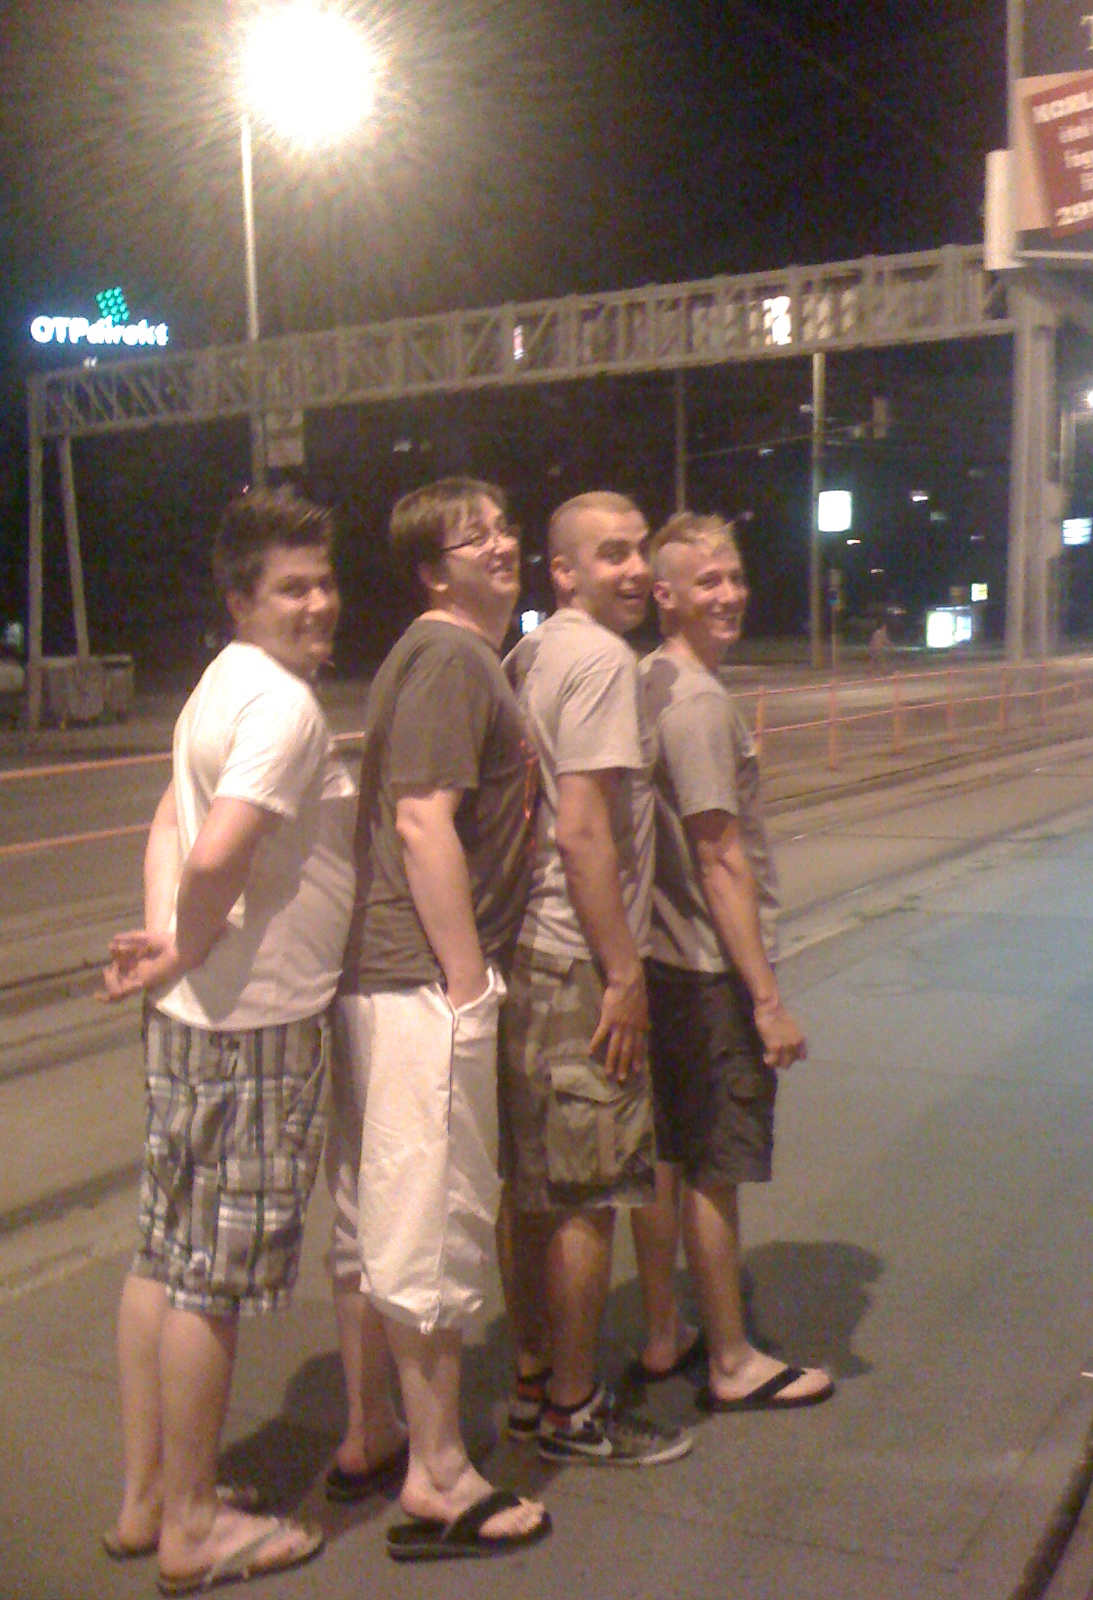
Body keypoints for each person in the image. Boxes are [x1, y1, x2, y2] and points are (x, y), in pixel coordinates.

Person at [102, 489, 357, 1591]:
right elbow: (215, 854)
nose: (318, 603)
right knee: (212, 1278)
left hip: (194, 1018)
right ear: (241, 597)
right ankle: (196, 1527)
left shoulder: (220, 683)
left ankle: (149, 1496)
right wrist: (189, 939)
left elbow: (172, 821)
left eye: (324, 581)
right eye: (291, 588)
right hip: (255, 1025)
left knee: (163, 1255)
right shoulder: (285, 708)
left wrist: (168, 946)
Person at [327, 477, 550, 1561]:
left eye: (503, 528)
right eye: (473, 538)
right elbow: (423, 822)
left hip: (399, 975)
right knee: (432, 1219)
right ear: (432, 570)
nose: (499, 545)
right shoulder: (453, 657)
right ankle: (440, 1473)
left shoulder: (446, 656)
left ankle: (382, 1436)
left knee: (389, 1213)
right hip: (423, 978)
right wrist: (466, 981)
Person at [498, 490, 692, 1466]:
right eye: (610, 554)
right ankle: (574, 1409)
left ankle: (535, 1377)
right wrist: (623, 973)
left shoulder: (528, 655)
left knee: (532, 1187)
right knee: (587, 1192)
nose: (635, 569)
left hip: (527, 956)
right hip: (581, 958)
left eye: (639, 550)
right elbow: (583, 831)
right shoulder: (605, 662)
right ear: (564, 571)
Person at [630, 511, 834, 1413]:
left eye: (735, 577)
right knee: (714, 1168)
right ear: (665, 595)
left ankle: (662, 1331)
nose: (730, 594)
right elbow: (719, 857)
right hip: (710, 969)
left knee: (665, 1158)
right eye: (707, 581)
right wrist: (766, 999)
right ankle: (731, 1357)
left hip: (661, 960)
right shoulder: (700, 704)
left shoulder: (651, 680)